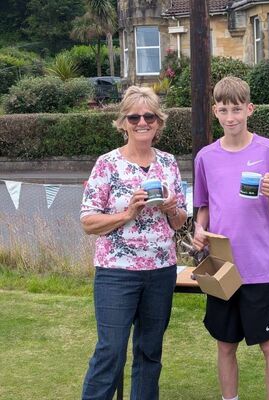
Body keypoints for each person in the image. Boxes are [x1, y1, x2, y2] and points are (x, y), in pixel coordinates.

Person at [80, 86, 187, 400]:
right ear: (123, 122)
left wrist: (170, 208)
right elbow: (88, 221)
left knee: (150, 351)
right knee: (110, 351)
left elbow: (180, 222)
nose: (143, 122)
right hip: (117, 272)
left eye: (149, 116)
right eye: (134, 116)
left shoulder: (168, 164)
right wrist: (128, 212)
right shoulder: (107, 164)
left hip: (162, 270)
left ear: (158, 122)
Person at [192, 76, 269, 400]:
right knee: (225, 344)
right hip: (222, 265)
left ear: (249, 109)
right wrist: (199, 229)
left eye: (236, 109)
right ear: (215, 112)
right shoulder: (205, 157)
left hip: (259, 266)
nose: (230, 117)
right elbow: (203, 206)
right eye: (223, 110)